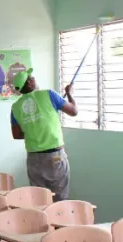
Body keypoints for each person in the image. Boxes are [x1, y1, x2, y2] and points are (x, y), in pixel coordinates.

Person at [10, 68, 78, 201]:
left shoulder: (16, 107)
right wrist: (69, 94)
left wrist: (33, 128)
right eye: (32, 77)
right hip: (54, 157)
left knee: (39, 200)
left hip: (33, 160)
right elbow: (74, 111)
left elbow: (17, 134)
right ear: (29, 83)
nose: (34, 79)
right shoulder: (49, 95)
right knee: (59, 201)